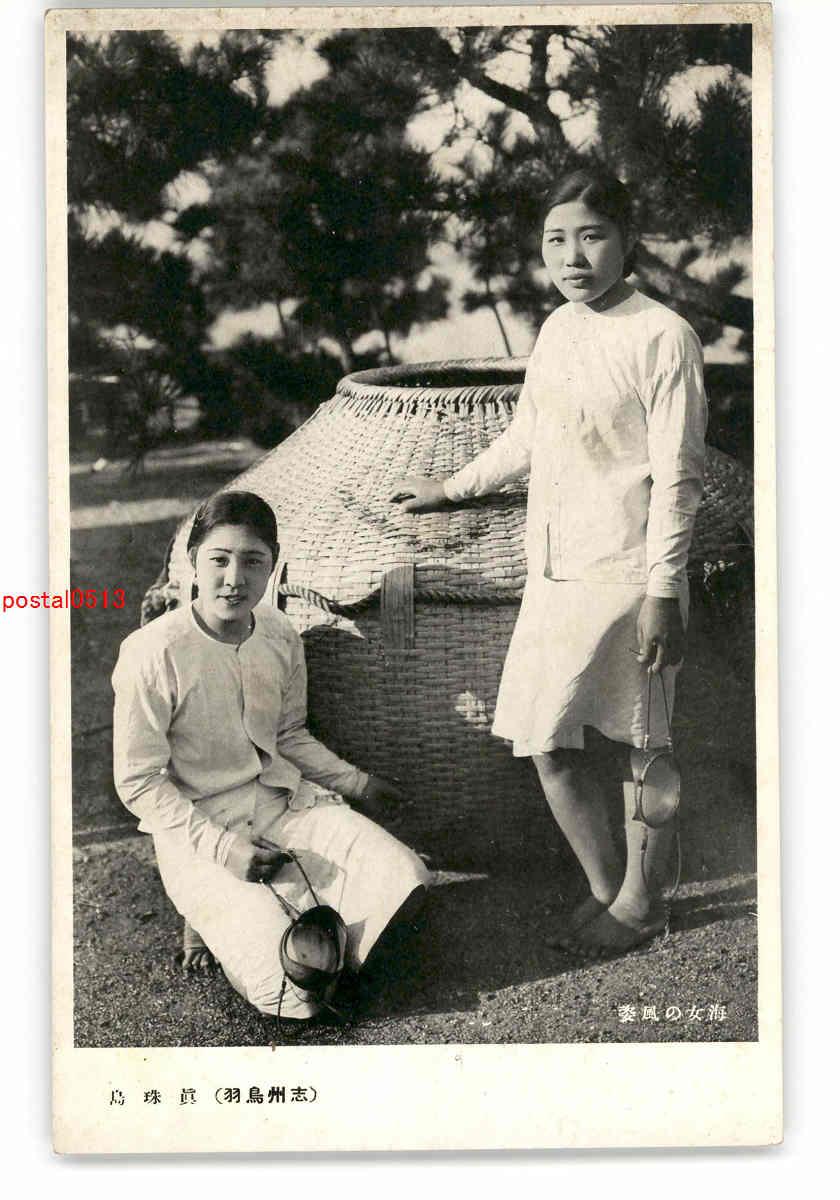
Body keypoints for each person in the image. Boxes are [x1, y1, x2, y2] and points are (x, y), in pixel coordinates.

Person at [390, 168, 707, 959]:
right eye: (556, 238)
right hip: (556, 574)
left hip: (631, 575)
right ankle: (608, 891)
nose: (573, 256)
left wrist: (663, 591)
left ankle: (641, 905)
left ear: (629, 241)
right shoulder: (559, 329)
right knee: (547, 743)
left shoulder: (664, 334)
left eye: (592, 235)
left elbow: (679, 477)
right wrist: (451, 489)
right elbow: (527, 435)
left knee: (643, 747)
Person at [112, 491, 429, 1020]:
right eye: (219, 559)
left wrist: (358, 784)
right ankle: (223, 921)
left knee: (406, 876)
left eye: (253, 561)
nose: (234, 579)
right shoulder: (152, 651)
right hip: (201, 828)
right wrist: (224, 850)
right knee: (294, 996)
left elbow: (289, 735)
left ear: (273, 564)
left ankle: (309, 933)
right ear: (193, 561)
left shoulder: (279, 633)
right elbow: (138, 781)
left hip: (285, 805)